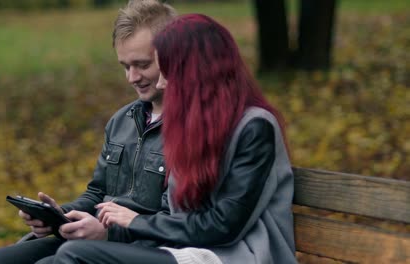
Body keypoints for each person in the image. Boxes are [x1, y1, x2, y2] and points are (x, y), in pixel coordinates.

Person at [46, 13, 297, 264]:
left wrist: (135, 222)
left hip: (239, 255)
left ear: (198, 73)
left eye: (168, 72)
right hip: (183, 248)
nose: (163, 84)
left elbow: (225, 225)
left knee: (74, 256)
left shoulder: (254, 127)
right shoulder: (191, 124)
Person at [0, 1, 177, 263]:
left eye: (141, 64)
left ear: (172, 55)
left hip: (143, 249)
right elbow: (97, 193)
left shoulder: (189, 128)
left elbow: (176, 221)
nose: (132, 77)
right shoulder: (122, 121)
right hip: (92, 239)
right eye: (125, 66)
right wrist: (59, 215)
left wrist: (107, 234)